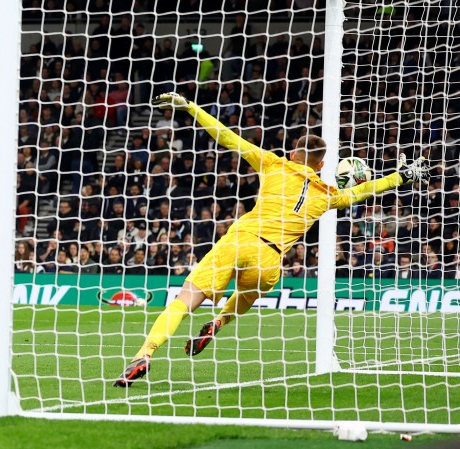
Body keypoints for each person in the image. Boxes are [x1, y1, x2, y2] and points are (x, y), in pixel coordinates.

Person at [114, 92, 430, 387]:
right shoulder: (327, 195)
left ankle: (144, 354)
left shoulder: (273, 163)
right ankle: (221, 322)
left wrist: (190, 107)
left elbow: (227, 137)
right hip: (270, 259)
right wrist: (402, 176)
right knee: (249, 294)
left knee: (184, 301)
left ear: (293, 152)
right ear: (321, 166)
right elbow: (361, 190)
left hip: (241, 238)